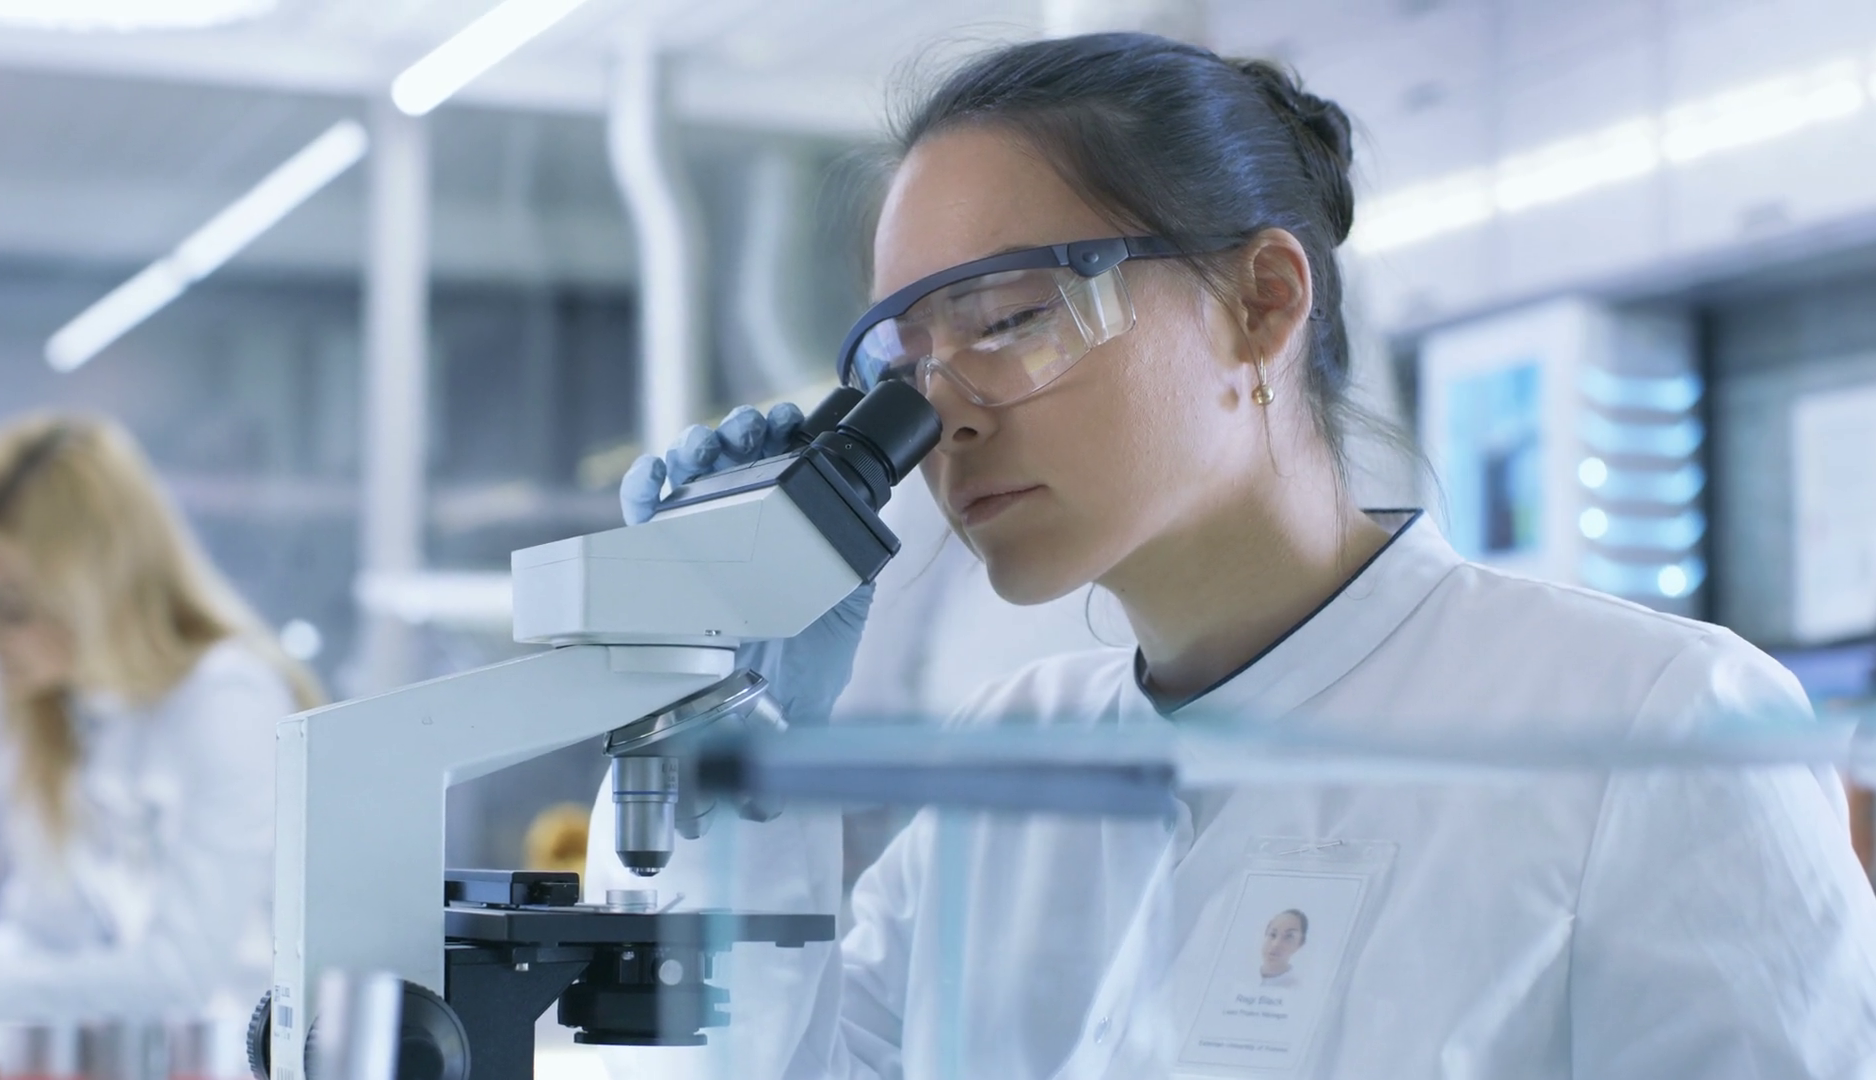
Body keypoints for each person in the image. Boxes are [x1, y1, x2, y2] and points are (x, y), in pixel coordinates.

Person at [611, 33, 1876, 1079]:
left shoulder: (1652, 726)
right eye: (908, 366)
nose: (947, 419)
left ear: (1263, 300)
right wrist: (725, 735)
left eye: (1006, 320)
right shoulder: (1011, 757)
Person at [0, 413, 322, 1020]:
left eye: (11, 607)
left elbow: (180, 976)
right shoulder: (76, 712)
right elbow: (44, 934)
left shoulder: (230, 700)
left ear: (96, 589)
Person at [1259, 910, 1305, 989]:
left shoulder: (1297, 988)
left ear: (1300, 944)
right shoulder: (1242, 977)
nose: (1276, 944)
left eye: (1288, 937)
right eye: (1273, 934)